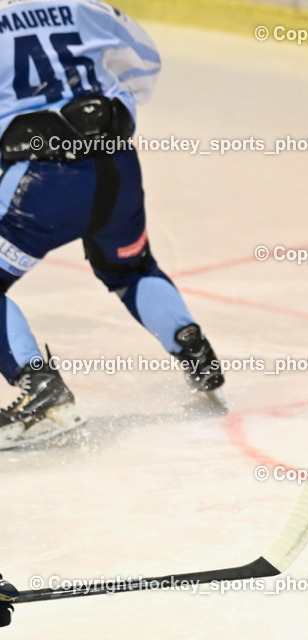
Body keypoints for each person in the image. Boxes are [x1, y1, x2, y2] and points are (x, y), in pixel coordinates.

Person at [0, 0, 224, 448]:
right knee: (130, 268)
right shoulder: (84, 6)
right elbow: (145, 63)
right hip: (118, 167)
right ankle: (190, 346)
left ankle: (41, 391)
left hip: (41, 181)